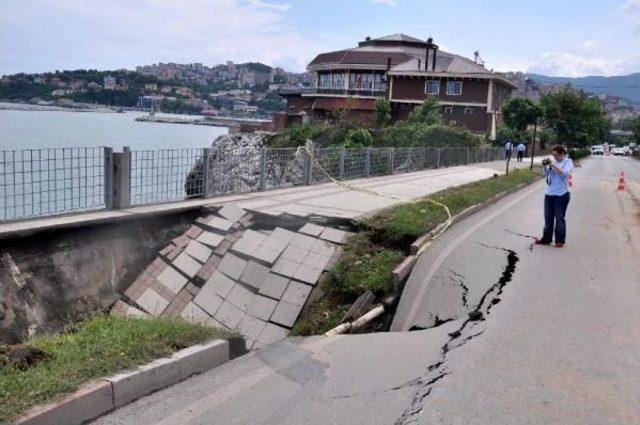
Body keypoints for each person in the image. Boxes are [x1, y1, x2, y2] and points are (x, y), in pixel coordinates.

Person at [536, 145, 573, 248]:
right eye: (553, 155)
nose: (554, 157)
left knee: (560, 219)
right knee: (548, 219)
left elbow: (564, 174)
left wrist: (553, 165)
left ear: (562, 154)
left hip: (561, 195)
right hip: (549, 194)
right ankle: (546, 239)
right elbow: (546, 174)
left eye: (556, 155)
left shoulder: (568, 162)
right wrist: (545, 166)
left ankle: (560, 241)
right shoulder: (553, 162)